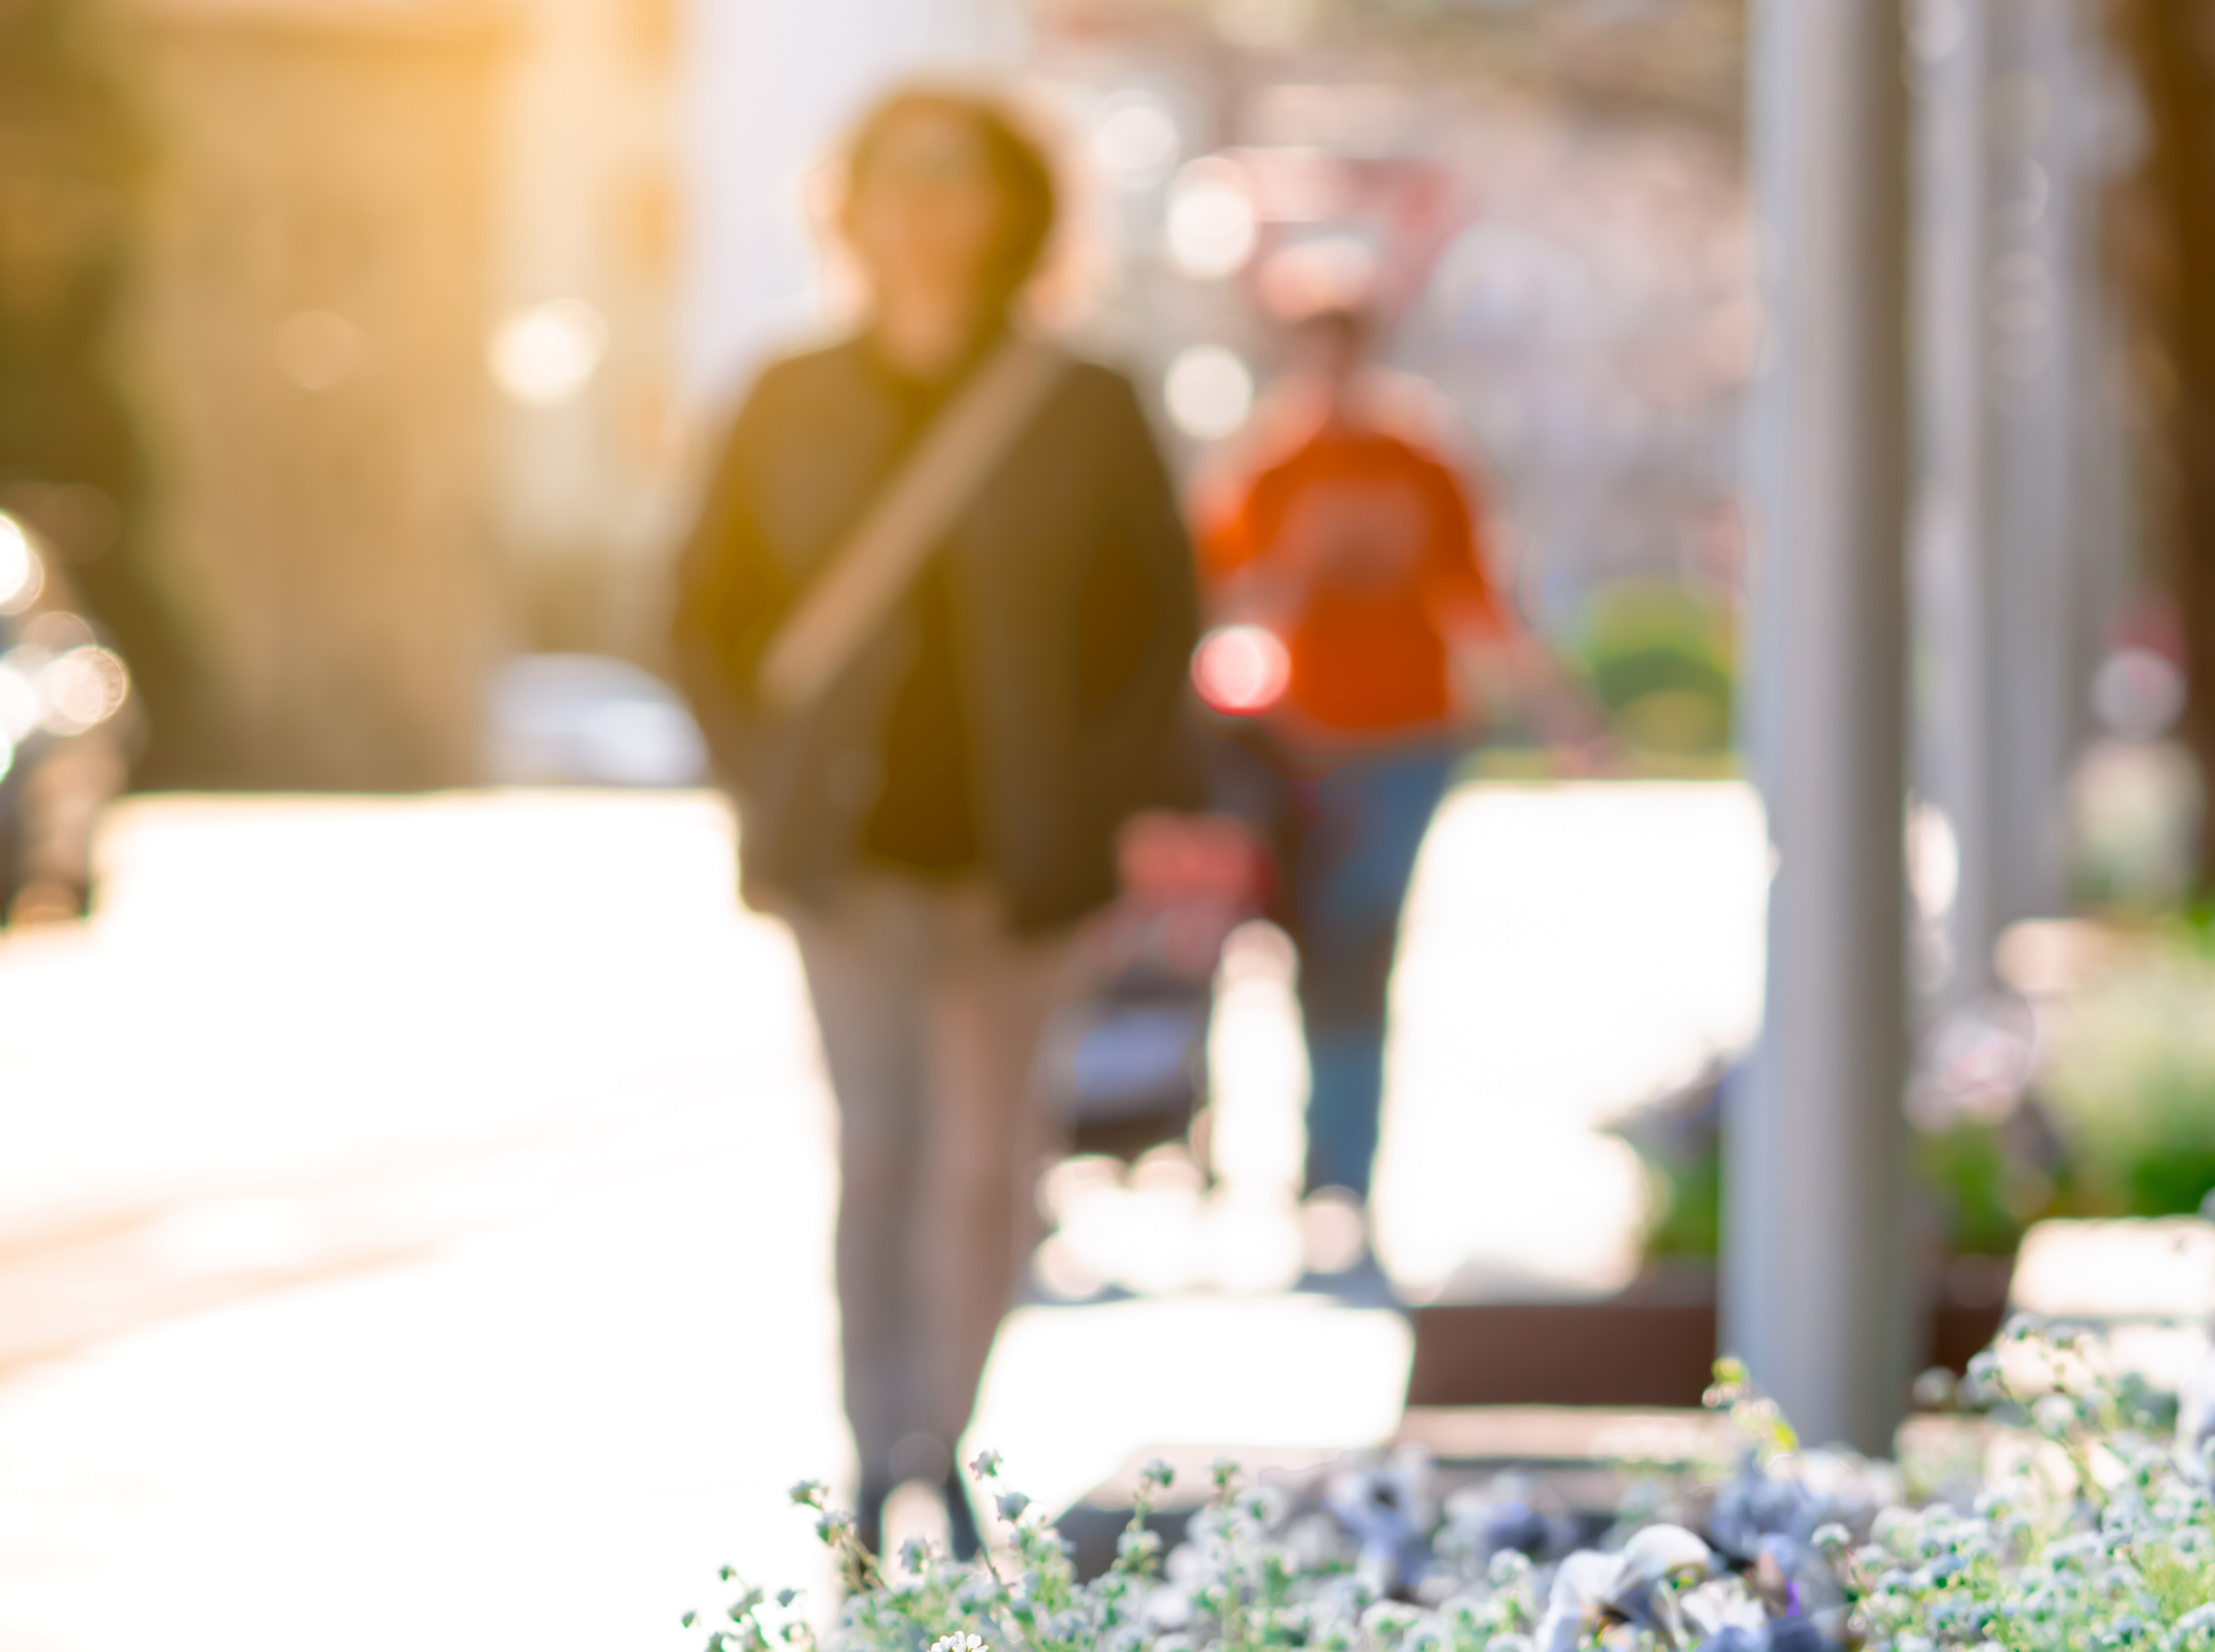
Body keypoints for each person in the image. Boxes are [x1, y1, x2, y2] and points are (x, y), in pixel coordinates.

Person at [670, 86, 1199, 1565]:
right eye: (891, 178)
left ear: (1010, 205)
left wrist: (1104, 794)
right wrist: (758, 770)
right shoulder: (787, 394)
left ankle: (944, 1442)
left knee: (990, 1158)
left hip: (1024, 857)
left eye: (951, 179)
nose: (920, 207)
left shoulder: (1080, 399)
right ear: (848, 203)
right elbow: (699, 612)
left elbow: (1154, 619)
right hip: (848, 852)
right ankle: (869, 1451)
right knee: (879, 1146)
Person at [1195, 278, 1585, 1280]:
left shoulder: (1420, 460)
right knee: (1304, 950)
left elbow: (1475, 597)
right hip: (1297, 744)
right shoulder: (1268, 467)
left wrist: (1563, 718)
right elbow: (1216, 601)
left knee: (1365, 944)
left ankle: (1342, 1176)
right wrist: (1290, 565)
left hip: (1410, 740)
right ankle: (1287, 1158)